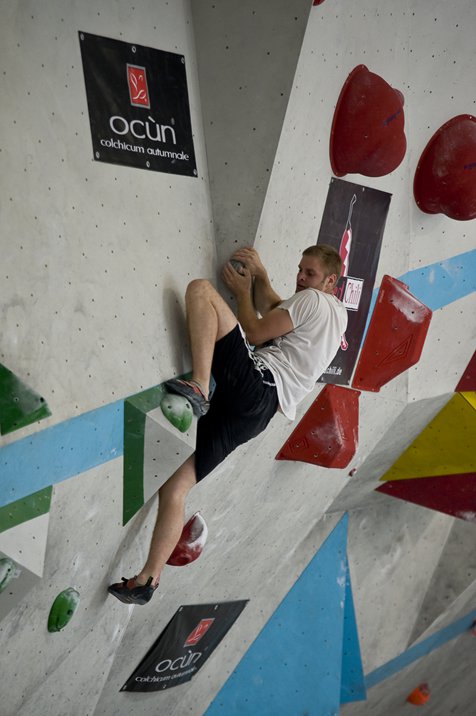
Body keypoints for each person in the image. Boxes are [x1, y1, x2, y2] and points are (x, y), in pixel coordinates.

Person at [108, 244, 348, 605]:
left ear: (330, 280)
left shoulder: (312, 300)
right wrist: (262, 277)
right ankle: (148, 579)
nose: (301, 277)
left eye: (309, 273)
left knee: (201, 291)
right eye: (300, 269)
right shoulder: (336, 314)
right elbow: (278, 309)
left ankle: (200, 387)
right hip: (259, 416)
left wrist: (240, 294)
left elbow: (254, 331)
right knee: (176, 487)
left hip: (257, 384)